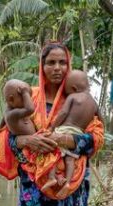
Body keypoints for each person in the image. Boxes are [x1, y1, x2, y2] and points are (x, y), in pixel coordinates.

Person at [0, 42, 104, 206]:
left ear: (69, 65)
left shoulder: (80, 99)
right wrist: (27, 139)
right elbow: (6, 135)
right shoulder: (26, 97)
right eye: (51, 62)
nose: (57, 67)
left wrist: (64, 139)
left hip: (71, 183)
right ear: (41, 67)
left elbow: (96, 139)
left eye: (62, 62)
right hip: (34, 184)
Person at [42, 69, 99, 199]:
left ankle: (52, 178)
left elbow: (63, 113)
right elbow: (100, 121)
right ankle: (67, 182)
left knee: (53, 151)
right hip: (79, 133)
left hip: (65, 130)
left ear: (73, 88)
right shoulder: (94, 104)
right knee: (70, 159)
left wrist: (52, 127)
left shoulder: (73, 96)